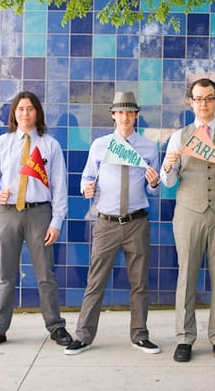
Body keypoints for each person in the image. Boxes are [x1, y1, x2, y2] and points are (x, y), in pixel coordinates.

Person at [161, 78, 215, 362]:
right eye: (198, 99)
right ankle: (185, 338)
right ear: (191, 102)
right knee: (186, 276)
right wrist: (166, 166)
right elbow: (168, 181)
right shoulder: (179, 136)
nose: (203, 104)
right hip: (188, 213)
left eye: (209, 98)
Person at [64, 92, 161, 355]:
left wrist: (154, 182)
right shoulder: (100, 145)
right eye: (121, 112)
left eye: (130, 112)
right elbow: (86, 177)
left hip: (137, 222)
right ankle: (83, 336)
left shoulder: (149, 147)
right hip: (105, 222)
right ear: (113, 115)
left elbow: (154, 191)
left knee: (139, 283)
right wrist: (86, 188)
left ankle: (140, 335)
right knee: (95, 281)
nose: (126, 117)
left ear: (136, 116)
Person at [0, 91, 72, 348]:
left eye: (30, 109)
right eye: (20, 109)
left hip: (40, 213)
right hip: (7, 213)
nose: (25, 113)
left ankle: (56, 326)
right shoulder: (1, 144)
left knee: (45, 274)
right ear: (14, 114)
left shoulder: (50, 145)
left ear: (37, 113)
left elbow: (60, 187)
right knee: (5, 275)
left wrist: (56, 221)